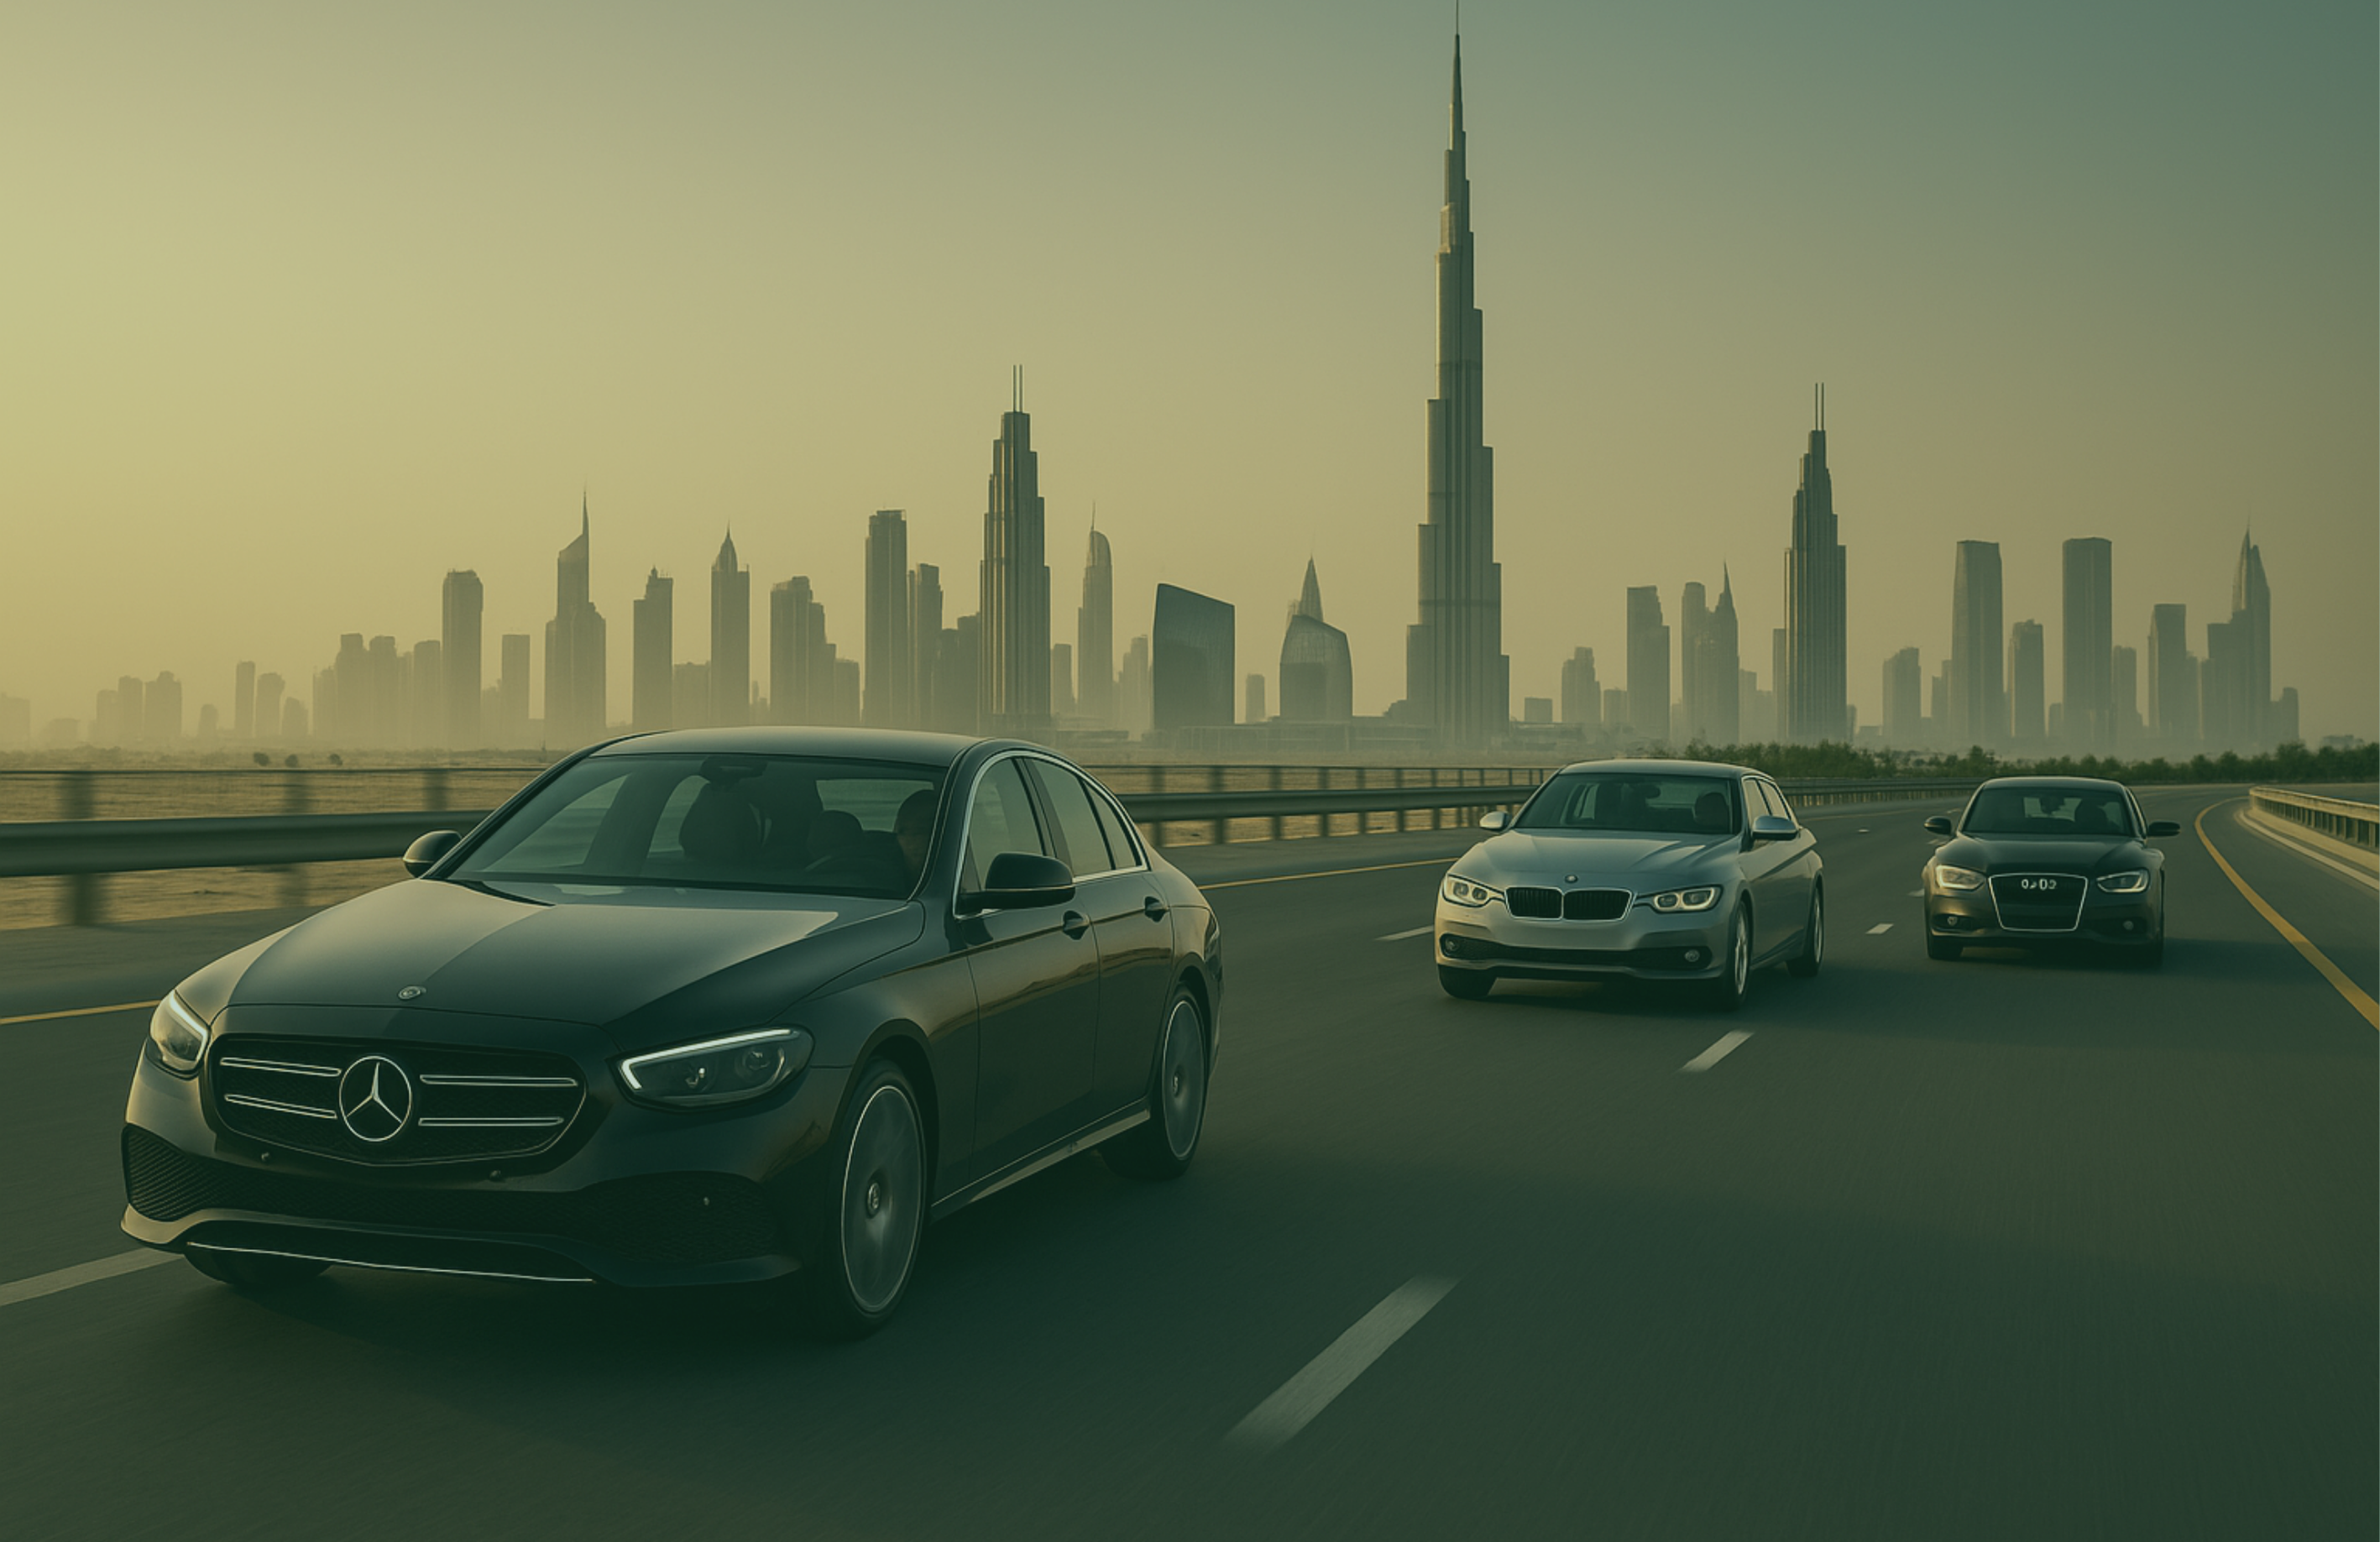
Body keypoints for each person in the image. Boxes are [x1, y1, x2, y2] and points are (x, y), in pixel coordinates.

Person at [893, 789, 938, 881]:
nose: (911, 839)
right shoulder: (882, 880)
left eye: (920, 831)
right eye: (903, 831)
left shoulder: (958, 874)